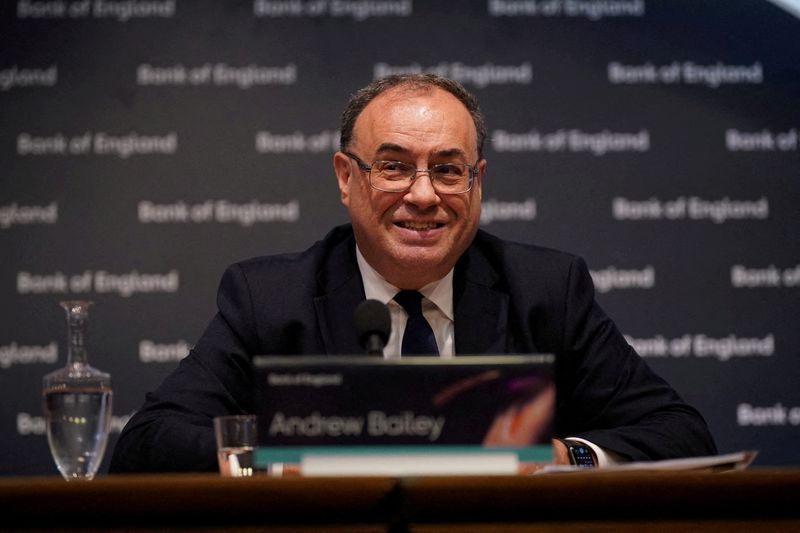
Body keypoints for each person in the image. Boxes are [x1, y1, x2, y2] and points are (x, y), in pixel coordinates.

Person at [109, 74, 716, 473]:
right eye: (394, 167)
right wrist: (282, 459)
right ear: (348, 179)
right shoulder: (272, 299)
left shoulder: (544, 291)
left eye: (448, 171)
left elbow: (682, 435)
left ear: (478, 183)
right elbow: (145, 446)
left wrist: (559, 457)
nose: (423, 195)